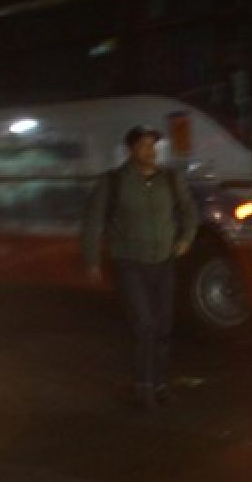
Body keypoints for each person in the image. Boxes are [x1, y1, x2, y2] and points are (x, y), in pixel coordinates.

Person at [81, 126, 198, 409]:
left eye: (154, 146)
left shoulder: (169, 179)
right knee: (144, 325)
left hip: (164, 263)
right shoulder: (114, 182)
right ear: (132, 150)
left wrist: (185, 238)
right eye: (145, 146)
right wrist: (92, 262)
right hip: (130, 263)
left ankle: (160, 384)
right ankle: (143, 387)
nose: (152, 151)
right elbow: (94, 222)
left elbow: (189, 210)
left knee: (163, 325)